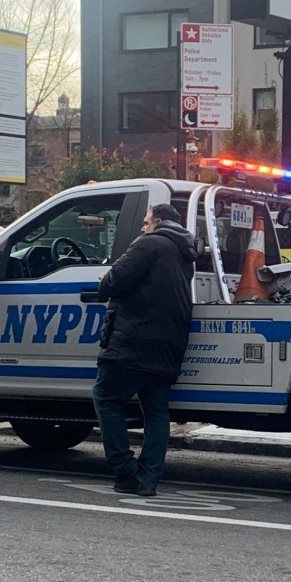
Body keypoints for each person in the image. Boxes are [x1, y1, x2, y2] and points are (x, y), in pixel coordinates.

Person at [92, 203, 197, 497]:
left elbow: (114, 282)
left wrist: (104, 280)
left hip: (134, 341)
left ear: (158, 222)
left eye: (146, 221)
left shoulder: (149, 244)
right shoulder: (185, 255)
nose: (143, 227)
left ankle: (124, 470)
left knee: (106, 398)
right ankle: (149, 478)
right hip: (169, 346)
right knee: (156, 412)